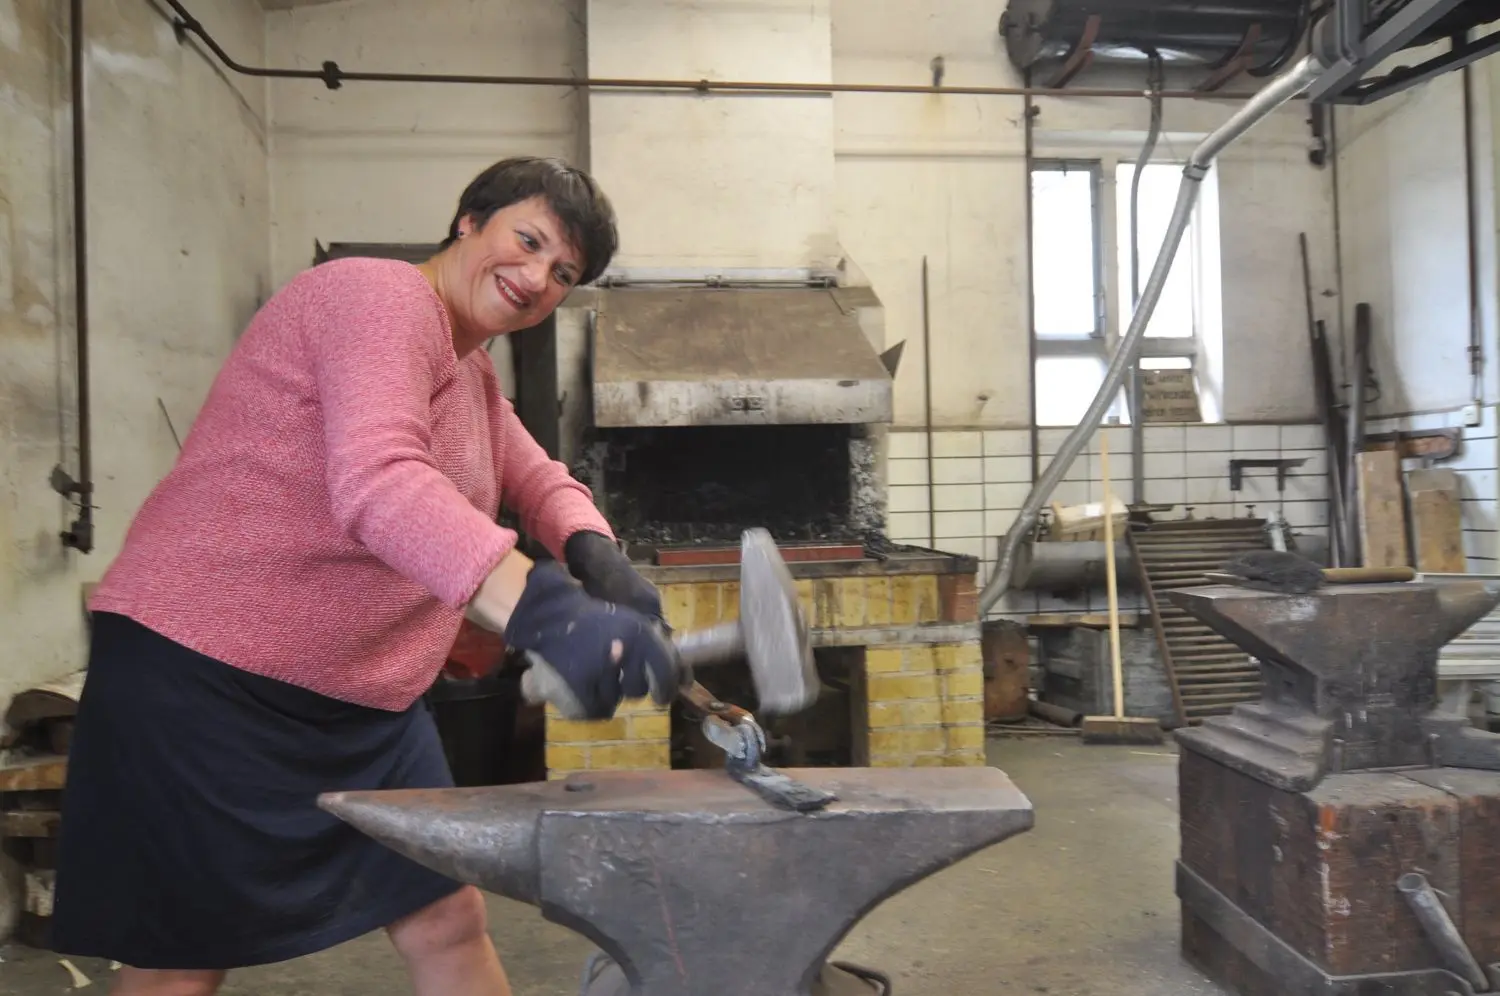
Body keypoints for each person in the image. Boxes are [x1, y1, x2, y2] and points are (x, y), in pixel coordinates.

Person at [49, 157, 677, 996]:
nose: (536, 279)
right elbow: (382, 482)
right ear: (469, 220)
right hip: (206, 679)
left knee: (446, 918)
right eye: (528, 242)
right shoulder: (376, 298)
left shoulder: (471, 369)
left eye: (563, 272)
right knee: (181, 961)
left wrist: (597, 554)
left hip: (361, 706)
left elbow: (534, 474)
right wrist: (549, 612)